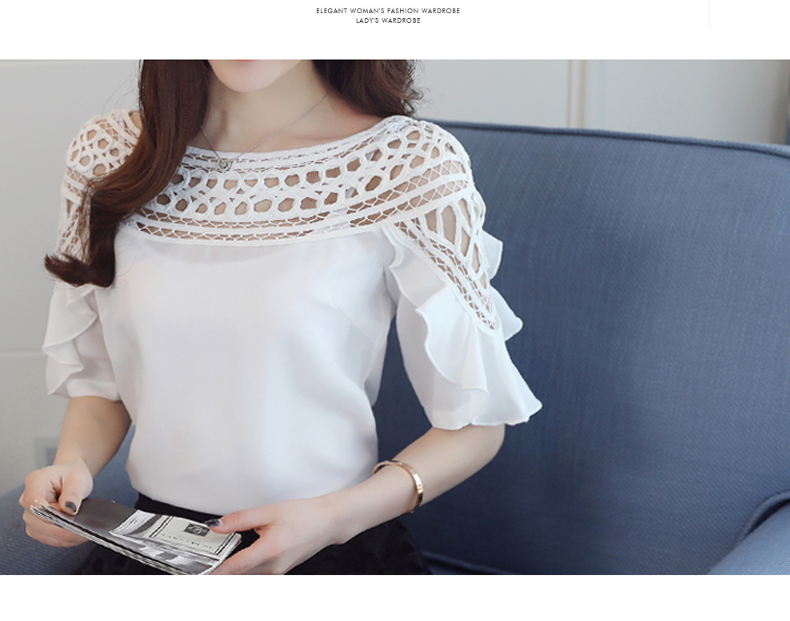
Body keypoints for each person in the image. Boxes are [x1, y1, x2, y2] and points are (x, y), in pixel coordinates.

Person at [19, 60, 542, 574]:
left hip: (331, 548)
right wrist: (73, 464)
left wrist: (334, 519)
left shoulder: (406, 163)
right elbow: (102, 387)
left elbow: (476, 425)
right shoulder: (109, 154)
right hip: (154, 549)